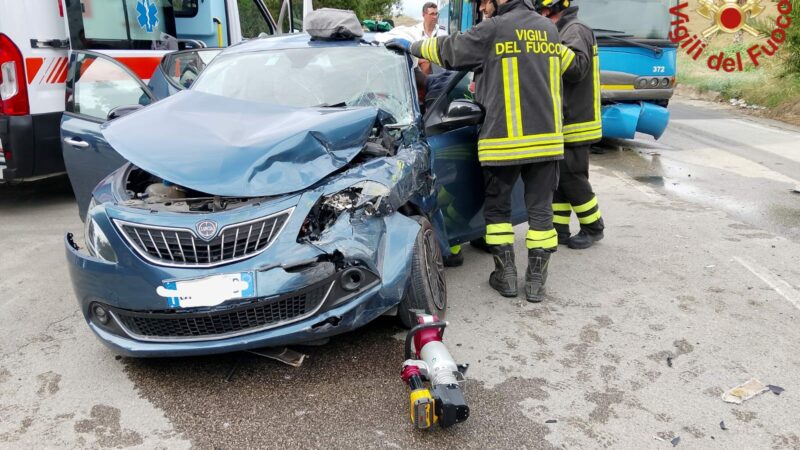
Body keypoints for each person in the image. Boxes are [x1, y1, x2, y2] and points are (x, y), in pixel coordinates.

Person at [387, 0, 576, 302]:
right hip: (547, 139)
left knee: (498, 211)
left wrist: (413, 48)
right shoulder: (548, 29)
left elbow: (450, 51)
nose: (483, 8)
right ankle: (537, 282)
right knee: (541, 211)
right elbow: (571, 69)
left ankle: (506, 276)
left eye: (485, 3)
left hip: (504, 142)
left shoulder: (494, 29)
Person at [536, 0, 605, 249]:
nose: (542, 17)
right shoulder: (563, 29)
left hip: (577, 121)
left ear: (554, 9)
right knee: (560, 179)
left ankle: (593, 226)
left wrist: (548, 46)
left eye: (544, 13)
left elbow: (577, 68)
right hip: (565, 120)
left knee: (572, 176)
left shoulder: (575, 30)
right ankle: (559, 229)